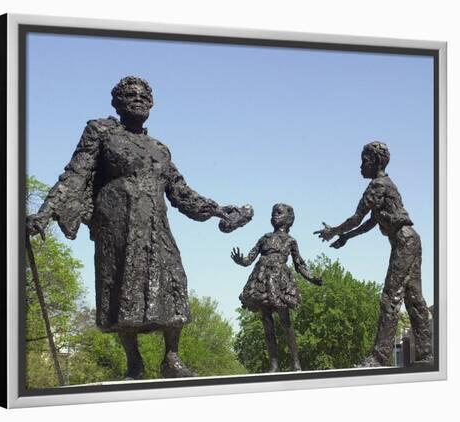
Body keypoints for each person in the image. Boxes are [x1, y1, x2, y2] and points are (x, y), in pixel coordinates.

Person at [27, 76, 251, 380]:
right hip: (117, 225)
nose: (138, 100)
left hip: (156, 225)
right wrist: (44, 213)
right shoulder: (101, 132)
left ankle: (171, 357)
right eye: (130, 95)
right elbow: (75, 174)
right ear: (116, 103)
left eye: (144, 96)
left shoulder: (159, 149)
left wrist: (220, 211)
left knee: (174, 282)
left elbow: (181, 192)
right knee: (123, 288)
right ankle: (134, 361)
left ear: (153, 103)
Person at [314, 141, 433, 367]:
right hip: (410, 240)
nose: (361, 166)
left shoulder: (377, 186)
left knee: (391, 297)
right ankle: (426, 355)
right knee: (414, 299)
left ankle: (379, 357)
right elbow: (371, 222)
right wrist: (346, 237)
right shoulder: (386, 186)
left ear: (376, 161)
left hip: (404, 242)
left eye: (364, 161)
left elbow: (357, 218)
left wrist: (334, 231)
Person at [231, 203, 323, 372]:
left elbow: (299, 265)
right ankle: (274, 364)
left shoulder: (290, 241)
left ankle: (296, 363)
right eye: (273, 213)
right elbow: (249, 259)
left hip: (279, 282)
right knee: (267, 323)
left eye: (279, 213)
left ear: (288, 219)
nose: (274, 216)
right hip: (261, 280)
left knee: (285, 322)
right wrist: (240, 260)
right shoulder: (264, 238)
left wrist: (312, 278)